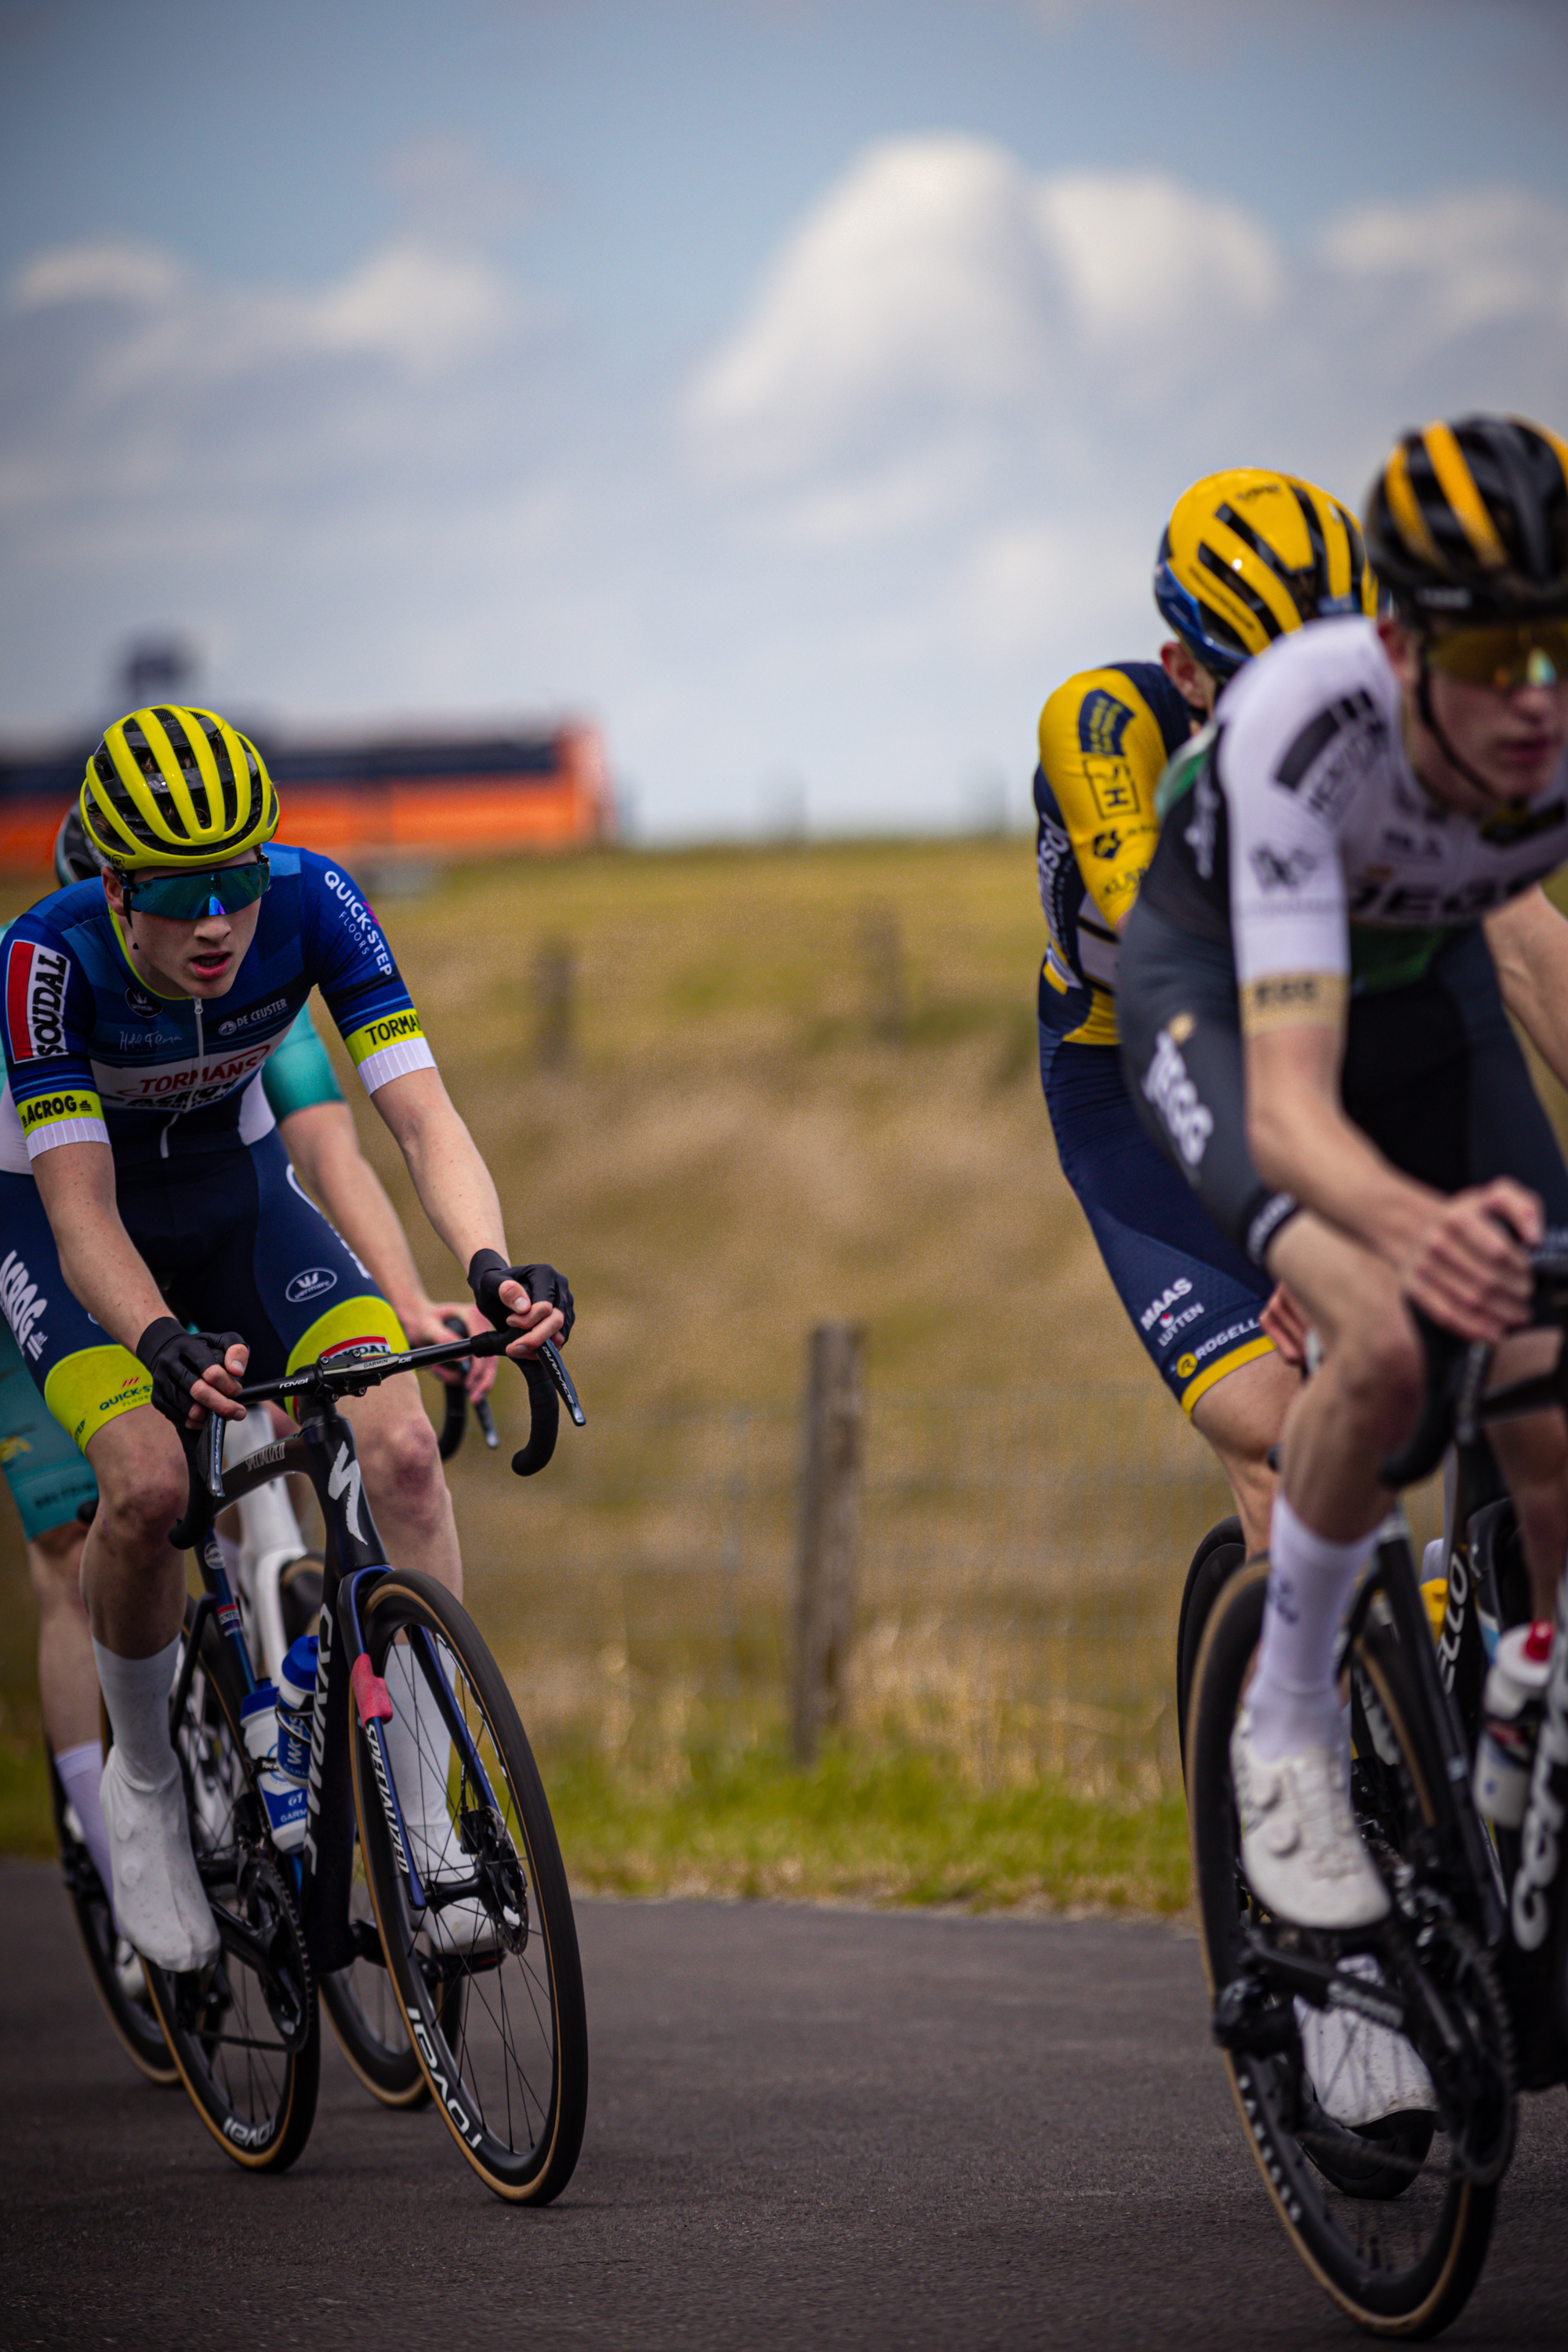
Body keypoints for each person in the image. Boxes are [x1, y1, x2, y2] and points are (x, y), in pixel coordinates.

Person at [0, 706, 572, 1972]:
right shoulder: (48, 958)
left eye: (238, 882)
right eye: (184, 892)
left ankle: (426, 1819)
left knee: (405, 1452)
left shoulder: (318, 900)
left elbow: (419, 1119)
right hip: (70, 1226)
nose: (218, 922)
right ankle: (146, 1789)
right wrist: (152, 1336)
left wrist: (488, 1266)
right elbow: (79, 1210)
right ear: (113, 883)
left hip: (239, 1202)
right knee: (147, 1487)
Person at [1118, 412, 1568, 1929]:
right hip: (1219, 1009)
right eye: (1497, 653)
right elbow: (1298, 1110)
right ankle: (1295, 1733)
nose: (1534, 693)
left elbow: (1531, 958)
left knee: (1547, 1378)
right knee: (1373, 1336)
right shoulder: (1295, 739)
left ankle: (1527, 1706)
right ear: (1398, 642)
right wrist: (1370, 1235)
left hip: (1413, 986)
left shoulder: (1534, 729)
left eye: (1554, 645)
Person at [1033, 470, 1377, 1552]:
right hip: (1135, 1077)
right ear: (1187, 671)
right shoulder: (1103, 723)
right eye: (1268, 681)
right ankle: (1302, 1716)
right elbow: (1170, 971)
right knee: (1282, 1436)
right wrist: (1294, 1231)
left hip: (1316, 1056)